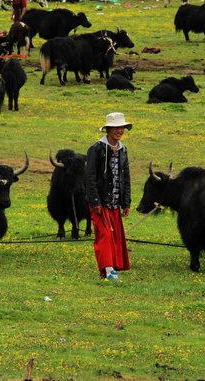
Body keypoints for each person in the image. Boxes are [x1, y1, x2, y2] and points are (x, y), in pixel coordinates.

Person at [85, 112, 132, 282]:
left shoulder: (123, 150)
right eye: (116, 128)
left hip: (115, 201)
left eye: (122, 127)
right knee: (104, 235)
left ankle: (110, 267)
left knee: (114, 236)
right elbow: (89, 177)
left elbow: (125, 177)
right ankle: (108, 269)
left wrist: (126, 202)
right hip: (100, 201)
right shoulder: (96, 149)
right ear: (109, 129)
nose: (120, 131)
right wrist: (95, 201)